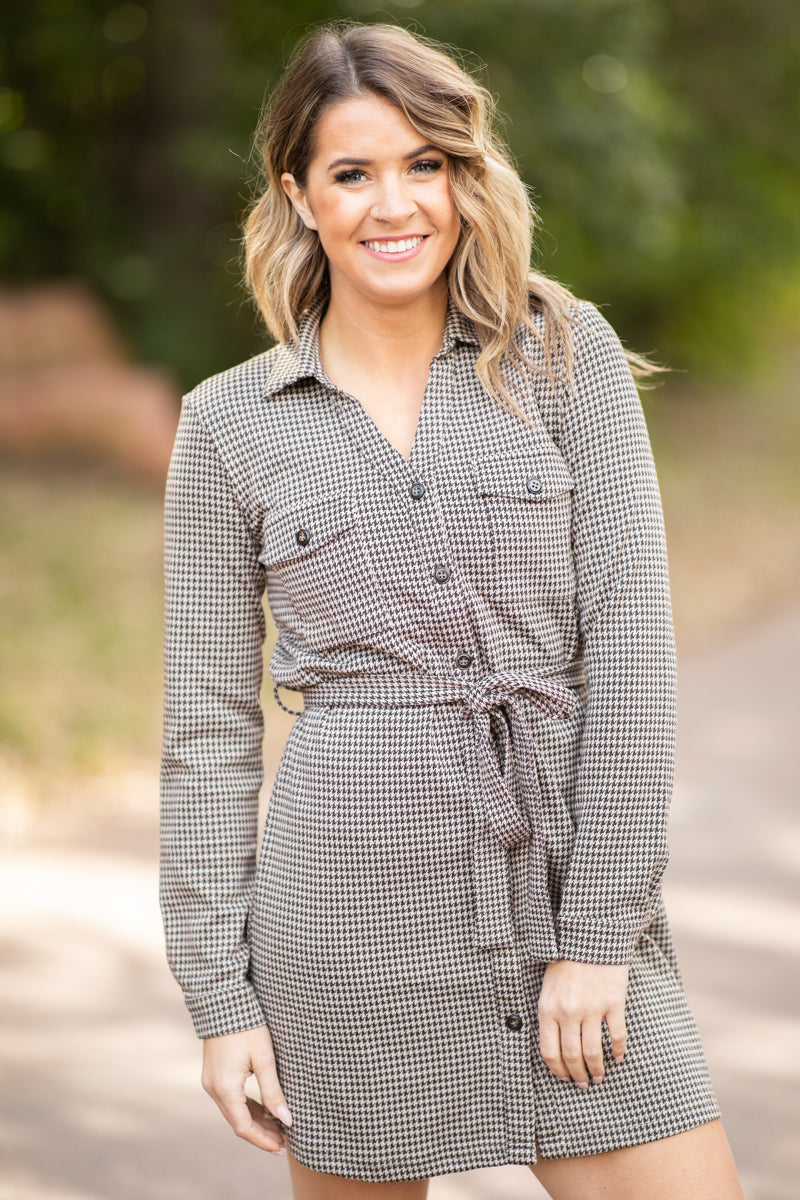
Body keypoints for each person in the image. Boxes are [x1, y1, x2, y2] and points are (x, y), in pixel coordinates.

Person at [159, 20, 745, 1200]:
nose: (395, 205)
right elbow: (207, 736)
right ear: (298, 196)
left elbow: (629, 664)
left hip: (560, 902)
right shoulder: (228, 425)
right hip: (343, 935)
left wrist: (595, 936)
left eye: (424, 164)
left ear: (464, 177)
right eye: (352, 173)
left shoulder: (560, 357)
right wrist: (220, 1002)